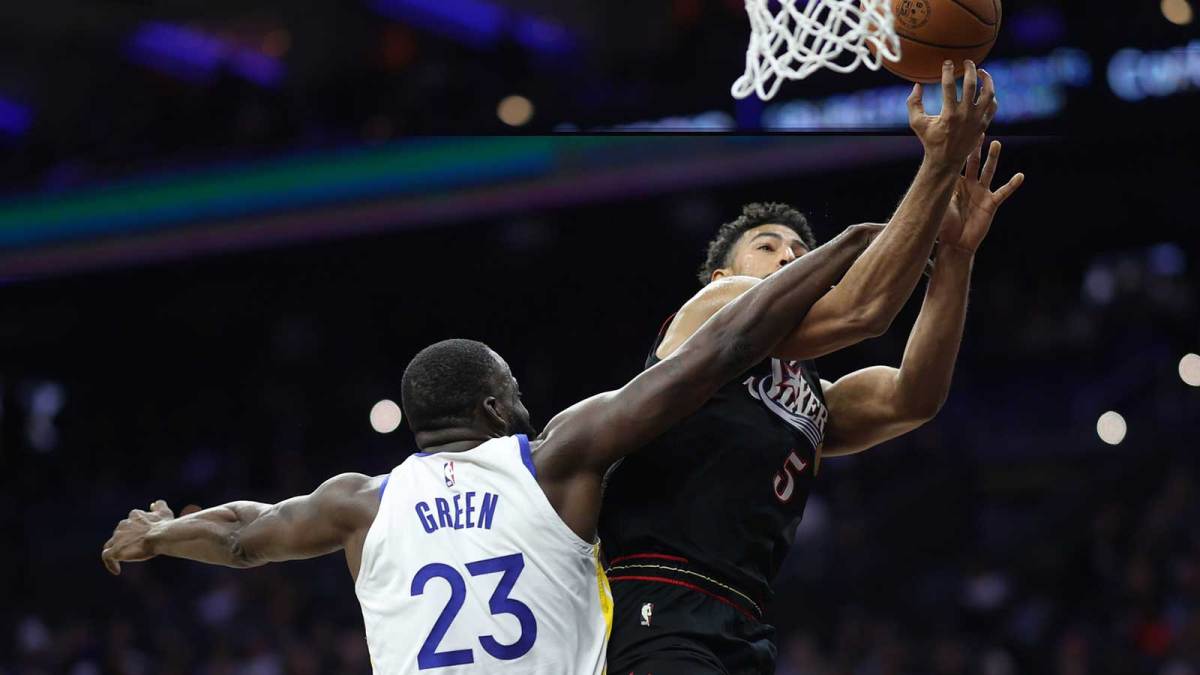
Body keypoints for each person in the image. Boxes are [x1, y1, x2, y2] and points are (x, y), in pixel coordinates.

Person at [100, 214, 882, 674]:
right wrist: (845, 242)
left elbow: (242, 531)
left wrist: (163, 532)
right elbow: (713, 356)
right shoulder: (555, 460)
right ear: (495, 404)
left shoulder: (361, 503)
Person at [600, 60, 1022, 675]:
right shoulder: (709, 312)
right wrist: (937, 164)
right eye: (768, 247)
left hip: (743, 619)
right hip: (655, 596)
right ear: (724, 276)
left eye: (801, 250)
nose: (791, 257)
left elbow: (914, 397)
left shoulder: (812, 397)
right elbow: (862, 312)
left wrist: (955, 256)